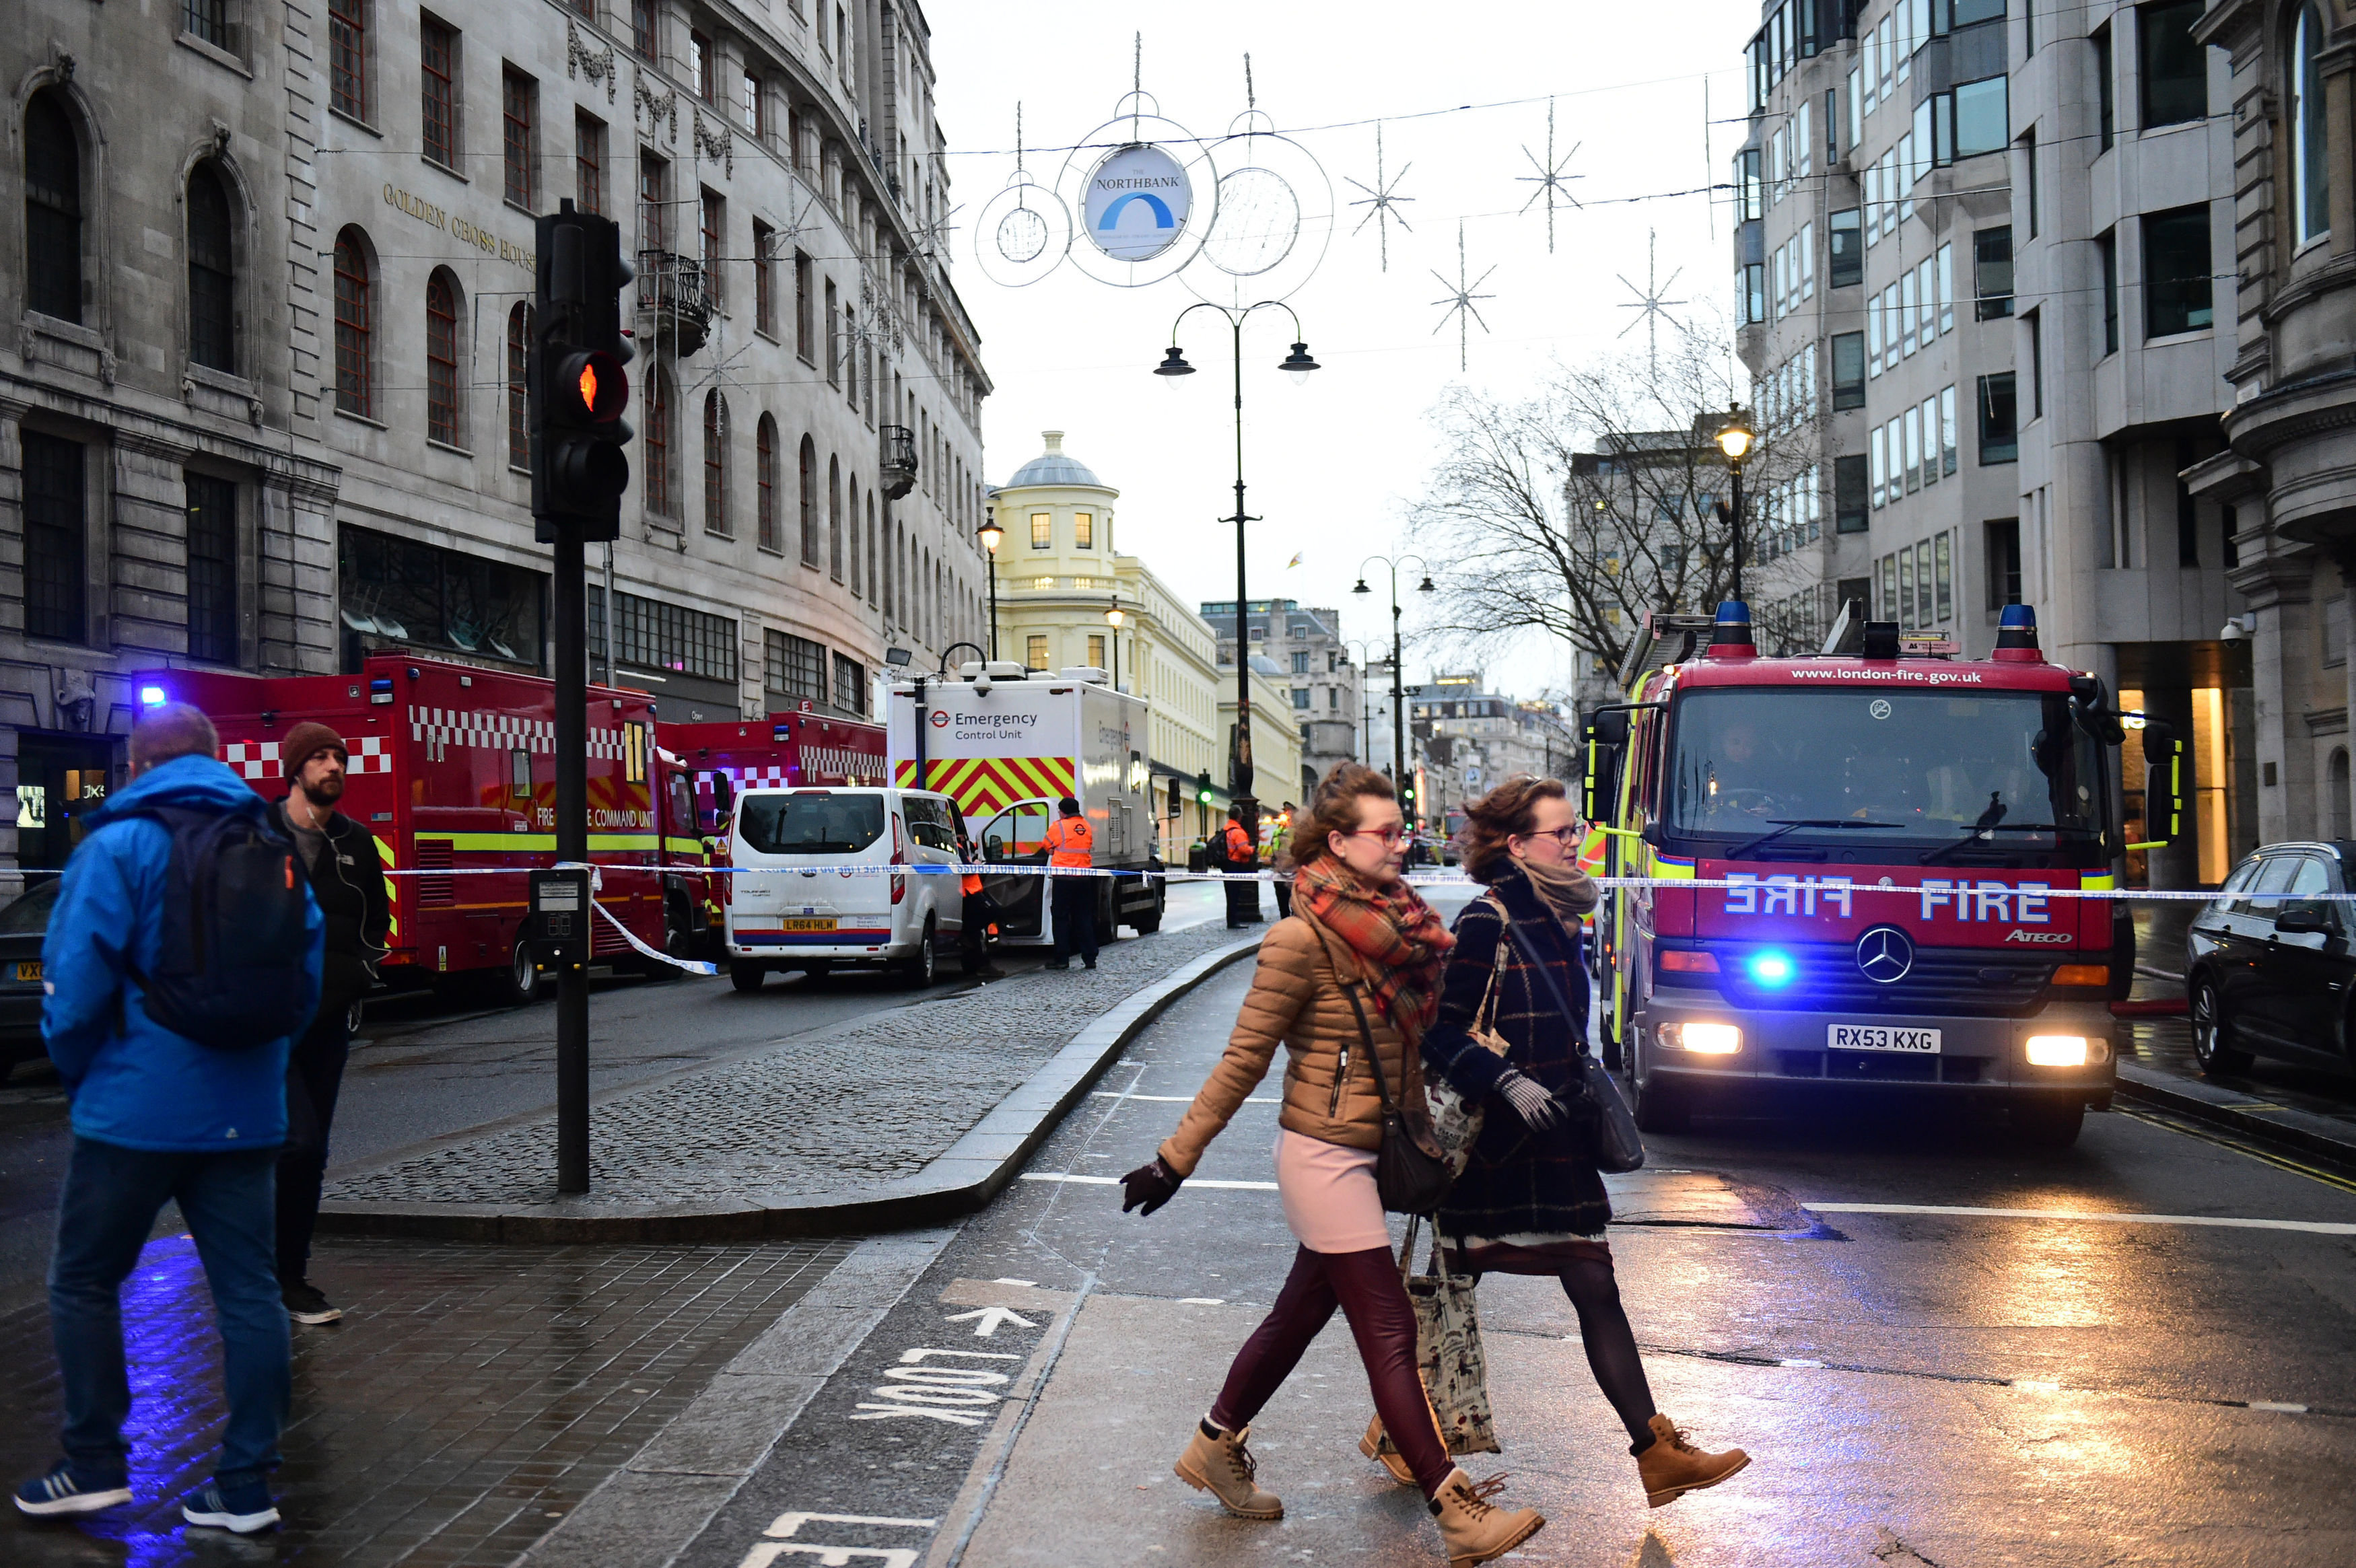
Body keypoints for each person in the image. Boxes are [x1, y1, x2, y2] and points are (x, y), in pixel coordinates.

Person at [1121, 763, 1544, 1567]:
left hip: (1370, 1146)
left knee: (1297, 1314)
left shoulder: (1403, 926)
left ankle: (1214, 1442)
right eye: (1382, 832)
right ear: (1337, 841)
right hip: (1320, 1154)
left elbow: (1420, 1043)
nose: (1397, 842)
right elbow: (1241, 1059)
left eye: (1398, 829)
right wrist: (1174, 1159)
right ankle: (1454, 1508)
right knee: (1386, 1326)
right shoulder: (1297, 937)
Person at [16, 704, 323, 1534]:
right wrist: (256, 1061)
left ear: (138, 764)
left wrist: (86, 1074)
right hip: (247, 1112)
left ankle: (92, 1464)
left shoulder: (117, 845)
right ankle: (245, 1484)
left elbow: (74, 989)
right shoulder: (272, 845)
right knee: (251, 1292)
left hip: (132, 1113)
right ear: (215, 759)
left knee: (83, 1278)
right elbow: (306, 983)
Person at [1408, 773, 1749, 1511]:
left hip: (1553, 1136)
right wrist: (1503, 1081)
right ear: (1516, 844)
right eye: (1561, 833)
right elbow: (1436, 1032)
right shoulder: (1486, 918)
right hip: (1495, 1146)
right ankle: (1398, 1426)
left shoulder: (1563, 917)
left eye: (1574, 831)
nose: (1576, 842)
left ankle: (1655, 1451)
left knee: (1584, 1279)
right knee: (1456, 1285)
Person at [267, 723, 390, 1328]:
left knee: (311, 1157)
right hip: (265, 1023)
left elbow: (377, 915)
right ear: (295, 769)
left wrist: (359, 970)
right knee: (296, 1142)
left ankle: (291, 1276)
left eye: (339, 757)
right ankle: (264, 1272)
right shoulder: (257, 834)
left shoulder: (356, 842)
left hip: (328, 1020)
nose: (333, 766)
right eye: (319, 758)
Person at [1042, 796, 1097, 971]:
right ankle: (1090, 959)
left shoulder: (1059, 826)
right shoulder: (1087, 826)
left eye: (1059, 810)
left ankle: (1062, 959)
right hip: (1083, 879)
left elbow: (1047, 846)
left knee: (1061, 918)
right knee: (1083, 918)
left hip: (1064, 879)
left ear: (1063, 811)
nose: (1059, 813)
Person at [956, 825, 1004, 978]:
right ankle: (979, 963)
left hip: (968, 892)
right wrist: (975, 865)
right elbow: (965, 868)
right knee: (993, 911)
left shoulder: (959, 847)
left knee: (974, 935)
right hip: (969, 893)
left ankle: (974, 967)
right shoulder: (957, 847)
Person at [1221, 804, 1261, 928]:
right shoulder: (1238, 832)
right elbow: (1244, 850)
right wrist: (1252, 849)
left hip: (1227, 864)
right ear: (1239, 816)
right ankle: (1233, 921)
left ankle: (1231, 920)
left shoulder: (1226, 829)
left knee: (1230, 895)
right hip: (1236, 865)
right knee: (1234, 895)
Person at [1268, 804, 1296, 918]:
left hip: (1293, 871)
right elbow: (1274, 847)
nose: (1286, 816)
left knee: (1295, 903)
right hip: (1279, 871)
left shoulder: (1298, 832)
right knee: (1282, 902)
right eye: (1285, 812)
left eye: (1288, 813)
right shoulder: (1277, 832)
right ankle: (1285, 922)